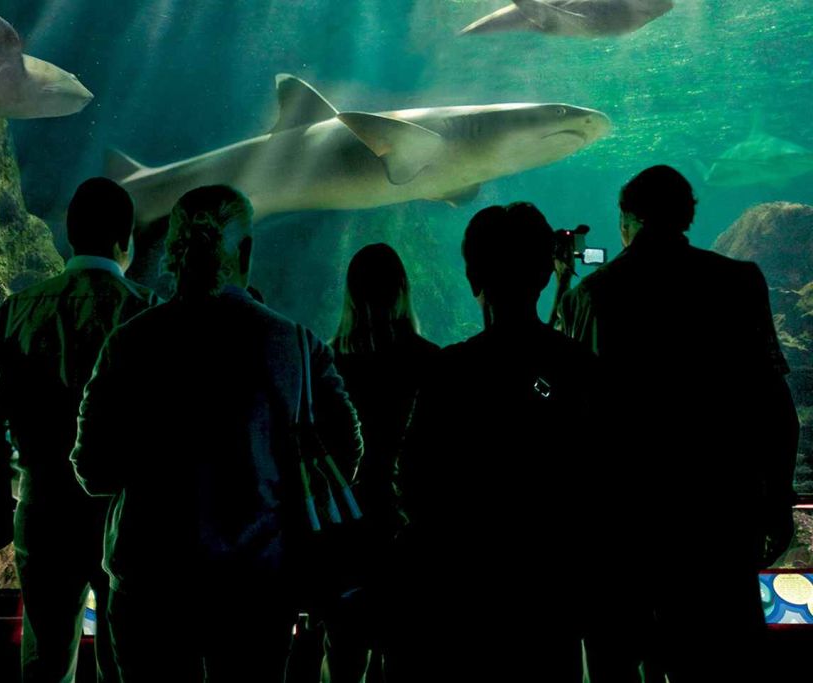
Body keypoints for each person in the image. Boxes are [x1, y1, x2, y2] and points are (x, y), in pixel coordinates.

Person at [71, 184, 363, 682]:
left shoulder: (129, 343)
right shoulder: (297, 346)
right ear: (244, 251)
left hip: (151, 584)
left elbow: (92, 469)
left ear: (172, 251)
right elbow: (346, 454)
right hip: (259, 585)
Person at [559, 165, 798, 682]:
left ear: (627, 221)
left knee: (620, 660)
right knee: (719, 659)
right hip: (718, 515)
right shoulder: (739, 282)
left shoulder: (590, 296)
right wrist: (778, 497)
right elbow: (772, 400)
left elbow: (562, 404)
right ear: (689, 215)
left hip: (623, 522)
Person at [392, 203, 600, 682]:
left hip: (463, 596)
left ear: (472, 278)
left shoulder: (449, 372)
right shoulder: (580, 368)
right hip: (551, 596)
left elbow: (413, 479)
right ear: (545, 275)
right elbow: (600, 479)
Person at [0, 177, 156, 683]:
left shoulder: (14, 312)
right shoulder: (148, 312)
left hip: (41, 506)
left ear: (68, 233)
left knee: (45, 659)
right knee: (125, 660)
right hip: (124, 513)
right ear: (126, 239)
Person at [323, 243, 439, 682]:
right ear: (403, 290)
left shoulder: (328, 364)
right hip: (410, 537)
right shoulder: (431, 362)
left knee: (344, 658)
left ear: (350, 294)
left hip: (345, 535)